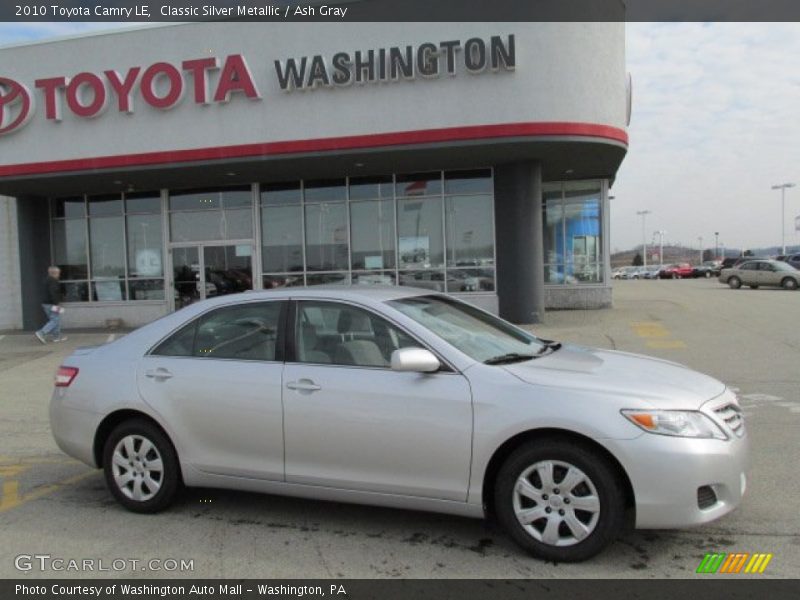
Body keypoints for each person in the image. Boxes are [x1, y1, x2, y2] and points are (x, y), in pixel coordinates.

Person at [35, 266, 67, 344]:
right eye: (58, 273)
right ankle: (41, 333)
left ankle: (56, 337)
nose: (59, 275)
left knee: (55, 319)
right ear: (55, 273)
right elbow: (54, 293)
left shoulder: (46, 280)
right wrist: (57, 303)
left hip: (46, 303)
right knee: (55, 320)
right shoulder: (53, 281)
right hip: (51, 304)